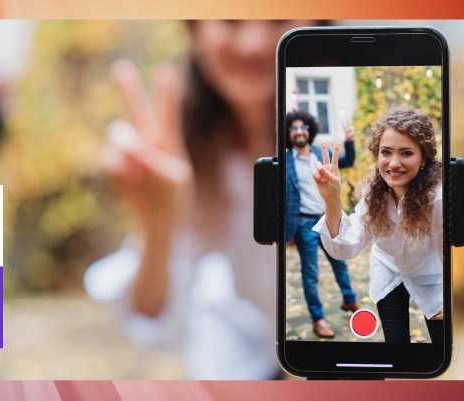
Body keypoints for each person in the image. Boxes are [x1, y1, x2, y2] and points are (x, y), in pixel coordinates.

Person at [83, 21, 312, 379]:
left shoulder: (361, 144)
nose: (252, 43)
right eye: (230, 19)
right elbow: (153, 316)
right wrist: (157, 226)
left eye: (279, 17)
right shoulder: (179, 147)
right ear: (195, 28)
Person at [311, 107, 444, 343]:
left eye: (406, 153)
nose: (394, 163)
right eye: (386, 152)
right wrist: (332, 199)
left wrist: (450, 296)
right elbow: (345, 247)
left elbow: (451, 254)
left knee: (442, 347)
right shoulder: (374, 193)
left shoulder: (438, 197)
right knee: (395, 345)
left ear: (423, 158)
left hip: (432, 276)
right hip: (389, 269)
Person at [284, 110, 359, 338]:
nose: (299, 131)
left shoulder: (319, 154)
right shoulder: (284, 161)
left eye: (303, 127)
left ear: (310, 130)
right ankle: (318, 319)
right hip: (304, 224)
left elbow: (347, 161)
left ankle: (349, 300)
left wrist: (349, 141)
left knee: (340, 262)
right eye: (294, 128)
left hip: (327, 219)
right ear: (288, 133)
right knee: (310, 274)